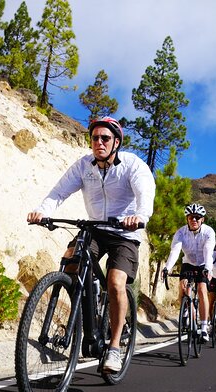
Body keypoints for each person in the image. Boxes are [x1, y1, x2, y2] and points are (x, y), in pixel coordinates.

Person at [27, 116, 155, 373]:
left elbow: (145, 192)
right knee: (70, 262)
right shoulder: (84, 166)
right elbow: (59, 192)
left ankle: (115, 348)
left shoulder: (132, 165)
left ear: (116, 142)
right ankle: (84, 314)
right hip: (95, 228)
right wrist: (43, 210)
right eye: (95, 138)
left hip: (124, 233)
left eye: (105, 138)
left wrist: (140, 216)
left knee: (116, 281)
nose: (99, 142)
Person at [162, 203, 216, 342]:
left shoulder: (209, 232)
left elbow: (208, 251)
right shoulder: (180, 233)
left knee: (202, 289)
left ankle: (204, 327)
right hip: (188, 263)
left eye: (197, 218)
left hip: (203, 263)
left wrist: (208, 269)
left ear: (202, 219)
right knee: (184, 287)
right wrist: (167, 267)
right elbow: (175, 251)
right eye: (191, 217)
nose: (194, 220)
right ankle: (187, 309)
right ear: (187, 218)